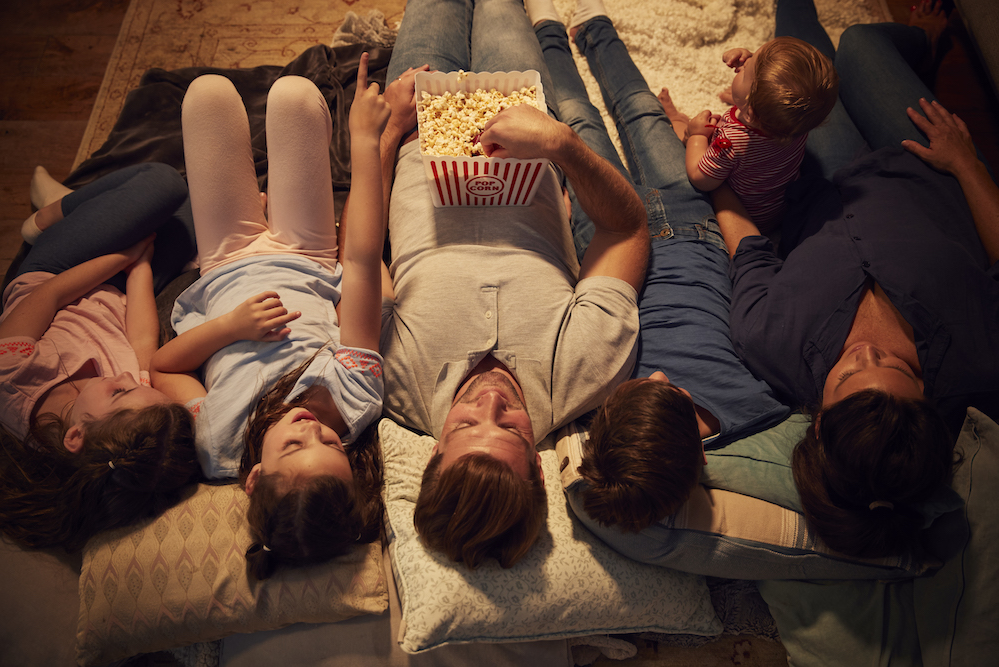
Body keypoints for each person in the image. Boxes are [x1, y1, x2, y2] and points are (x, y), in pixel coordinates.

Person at [714, 0, 999, 558]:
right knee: (865, 45)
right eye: (897, 367)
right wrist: (966, 161)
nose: (868, 352)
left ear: (818, 423)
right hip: (928, 167)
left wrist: (710, 173)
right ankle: (922, 42)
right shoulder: (981, 358)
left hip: (825, 177)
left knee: (813, 72)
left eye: (848, 376)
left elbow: (748, 247)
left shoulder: (772, 343)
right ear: (926, 399)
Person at [377, 0, 650, 569]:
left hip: (416, 137)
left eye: (466, 424)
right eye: (513, 430)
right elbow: (626, 228)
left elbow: (357, 257)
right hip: (524, 132)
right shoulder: (587, 369)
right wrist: (560, 144)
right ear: (540, 462)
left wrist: (387, 137)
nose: (492, 402)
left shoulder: (391, 381)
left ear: (431, 453)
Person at [522, 0, 789, 536]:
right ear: (703, 459)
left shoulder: (603, 426)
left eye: (648, 385)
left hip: (607, 240)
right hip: (694, 224)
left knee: (575, 121)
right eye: (672, 394)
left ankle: (549, 30)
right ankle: (595, 25)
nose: (660, 374)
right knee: (643, 110)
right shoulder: (762, 407)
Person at [150, 56, 390, 579]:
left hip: (225, 262)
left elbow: (162, 368)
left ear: (254, 477)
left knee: (207, 94)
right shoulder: (355, 402)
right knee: (296, 97)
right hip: (305, 253)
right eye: (330, 445)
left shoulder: (218, 444)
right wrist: (366, 139)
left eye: (294, 446)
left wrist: (229, 328)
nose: (312, 429)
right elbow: (363, 265)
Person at [0, 163, 200, 552]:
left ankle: (49, 217)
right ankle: (95, 214)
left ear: (76, 435)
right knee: (204, 202)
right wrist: (140, 265)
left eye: (118, 392)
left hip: (56, 273)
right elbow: (142, 337)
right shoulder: (133, 418)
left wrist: (122, 254)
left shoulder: (12, 378)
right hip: (120, 290)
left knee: (165, 184)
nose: (127, 379)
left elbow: (51, 295)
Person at [656, 36, 839, 234]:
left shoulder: (732, 141)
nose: (745, 63)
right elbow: (773, 82)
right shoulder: (798, 121)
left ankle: (674, 117)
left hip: (745, 217)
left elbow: (701, 178)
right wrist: (752, 61)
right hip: (778, 207)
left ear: (750, 113)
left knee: (685, 130)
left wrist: (697, 136)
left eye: (745, 72)